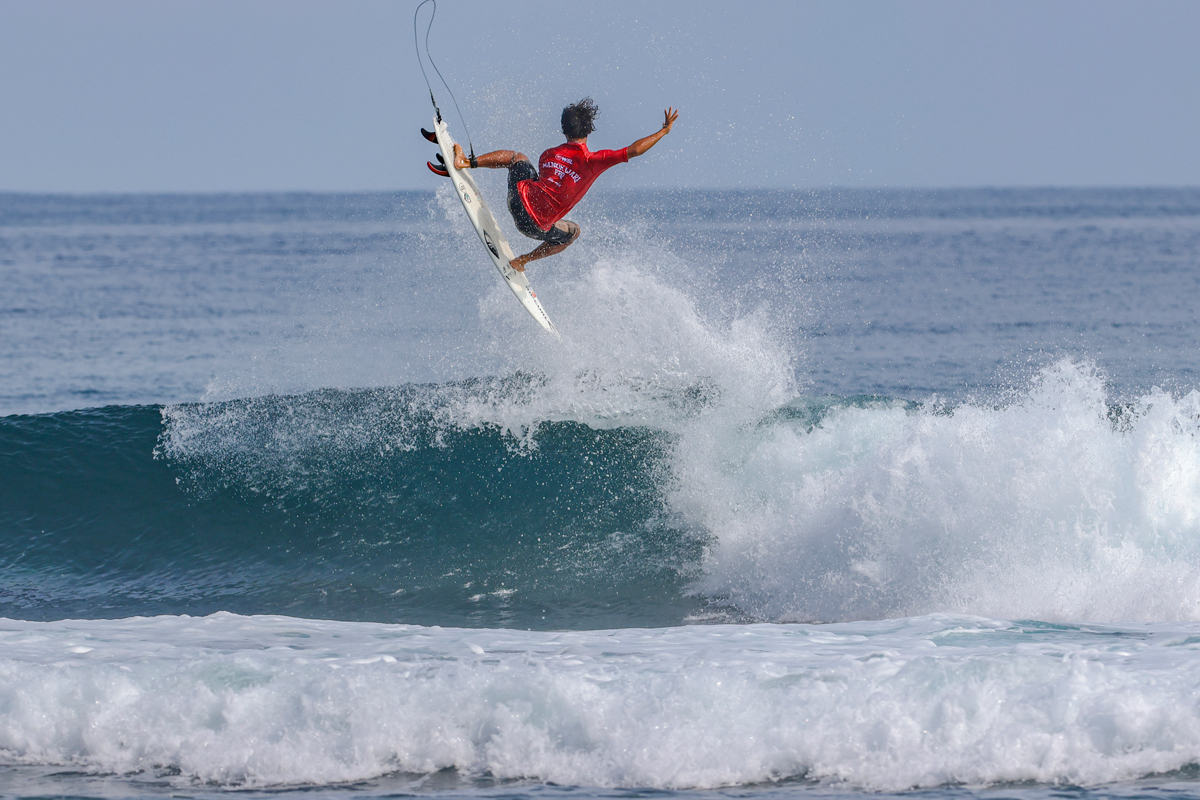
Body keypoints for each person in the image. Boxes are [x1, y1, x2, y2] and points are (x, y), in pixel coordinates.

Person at [453, 98, 679, 271]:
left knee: (517, 157)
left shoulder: (548, 154)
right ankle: (523, 261)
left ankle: (466, 162)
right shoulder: (592, 161)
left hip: (516, 201)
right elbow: (635, 150)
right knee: (573, 231)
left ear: (563, 129)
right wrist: (664, 130)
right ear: (589, 129)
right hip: (532, 227)